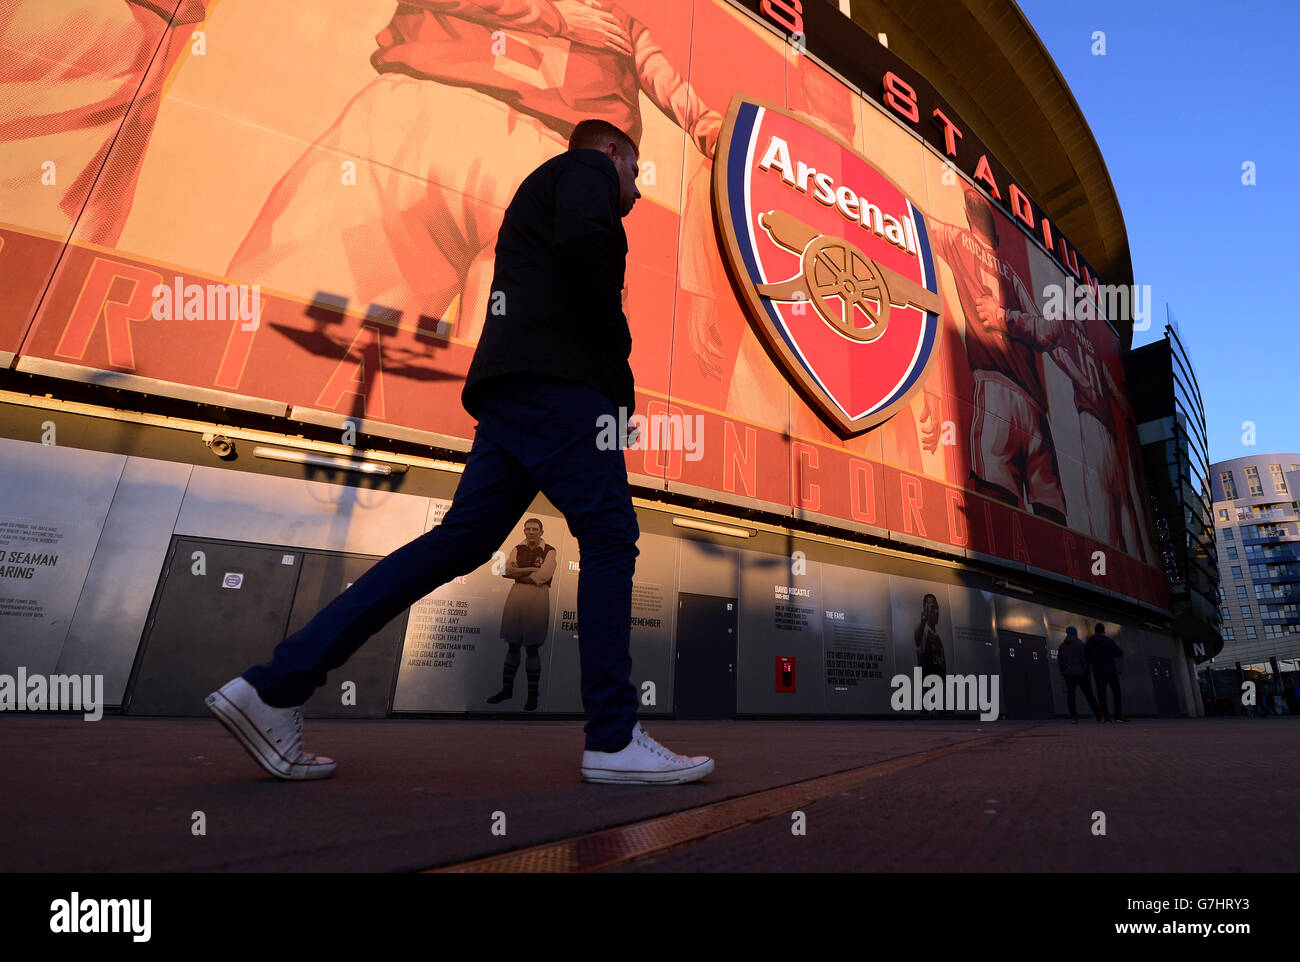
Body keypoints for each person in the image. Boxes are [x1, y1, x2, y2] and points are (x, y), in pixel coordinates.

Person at [207, 119, 714, 785]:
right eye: (636, 172)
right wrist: (615, 369)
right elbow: (588, 249)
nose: (637, 193)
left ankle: (273, 687)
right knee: (612, 536)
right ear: (613, 152)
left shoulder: (537, 193)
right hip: (560, 387)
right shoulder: (584, 171)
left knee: (457, 544)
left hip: (512, 393)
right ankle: (614, 739)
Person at [928, 189, 1068, 525]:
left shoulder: (956, 238)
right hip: (1034, 410)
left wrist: (1001, 315)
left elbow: (911, 215)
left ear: (965, 213)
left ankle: (997, 575)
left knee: (996, 503)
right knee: (1050, 513)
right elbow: (1050, 332)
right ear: (1000, 232)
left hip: (996, 392)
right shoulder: (1013, 277)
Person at [487, 518, 557, 710]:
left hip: (537, 599)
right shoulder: (517, 548)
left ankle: (533, 695)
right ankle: (506, 690)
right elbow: (507, 570)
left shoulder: (550, 551)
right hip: (516, 597)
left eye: (535, 529)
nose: (531, 532)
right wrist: (532, 569)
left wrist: (522, 573)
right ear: (524, 531)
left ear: (541, 531)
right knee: (513, 645)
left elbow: (544, 576)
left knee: (532, 648)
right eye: (528, 529)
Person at [1057, 626, 1100, 723]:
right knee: (1089, 695)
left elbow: (1060, 661)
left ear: (1067, 634)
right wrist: (1087, 672)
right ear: (1075, 633)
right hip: (1081, 675)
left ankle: (1074, 718)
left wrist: (1063, 672)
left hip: (1068, 675)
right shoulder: (1080, 644)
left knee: (1071, 697)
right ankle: (1099, 715)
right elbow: (1084, 660)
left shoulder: (1062, 646)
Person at [1086, 622, 1126, 722]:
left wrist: (1093, 659)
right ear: (1104, 631)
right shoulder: (1109, 641)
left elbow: (1086, 655)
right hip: (1110, 670)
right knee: (1116, 692)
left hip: (1098, 671)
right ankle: (1118, 715)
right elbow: (1119, 653)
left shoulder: (1090, 642)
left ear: (1095, 631)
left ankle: (1106, 717)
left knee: (1101, 694)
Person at [914, 594, 947, 681]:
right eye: (933, 607)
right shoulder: (923, 631)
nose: (936, 611)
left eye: (937, 608)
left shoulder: (939, 639)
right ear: (925, 609)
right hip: (928, 690)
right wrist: (923, 623)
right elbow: (917, 640)